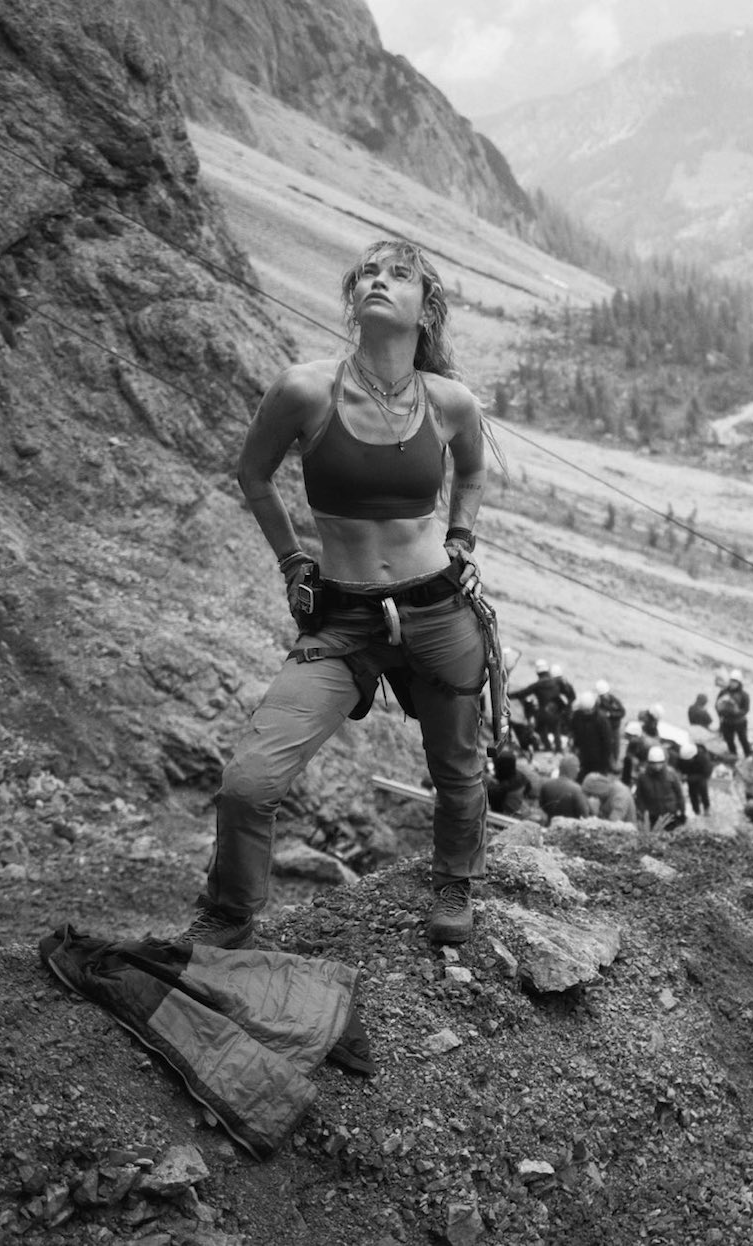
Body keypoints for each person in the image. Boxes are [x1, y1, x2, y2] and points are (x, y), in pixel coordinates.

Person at [175, 239, 494, 951]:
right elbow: (252, 476)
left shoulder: (449, 402)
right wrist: (293, 562)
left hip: (437, 609)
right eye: (368, 276)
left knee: (457, 765)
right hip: (343, 615)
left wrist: (462, 541)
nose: (378, 282)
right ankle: (229, 912)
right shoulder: (305, 389)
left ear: (427, 308)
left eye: (398, 276)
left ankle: (453, 883)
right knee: (249, 781)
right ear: (353, 302)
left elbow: (471, 474)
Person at [508, 661, 567, 752]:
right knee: (556, 728)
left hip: (544, 713)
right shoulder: (556, 683)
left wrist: (509, 695)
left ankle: (547, 746)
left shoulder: (537, 685)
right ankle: (558, 748)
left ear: (538, 673)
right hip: (556, 712)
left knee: (541, 727)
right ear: (547, 672)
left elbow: (522, 693)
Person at [634, 745, 687, 832]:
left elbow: (679, 794)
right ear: (649, 762)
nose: (656, 766)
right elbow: (639, 796)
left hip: (670, 814)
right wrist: (642, 812)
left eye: (659, 763)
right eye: (653, 763)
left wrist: (682, 811)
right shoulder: (643, 777)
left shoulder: (671, 774)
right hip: (652, 815)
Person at [568, 690, 617, 777]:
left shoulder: (600, 719)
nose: (587, 713)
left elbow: (607, 742)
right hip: (587, 756)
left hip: (592, 757)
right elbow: (574, 732)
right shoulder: (580, 716)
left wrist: (605, 764)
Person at [486, 747, 542, 819]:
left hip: (506, 817)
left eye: (496, 766)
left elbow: (494, 806)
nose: (494, 768)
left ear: (500, 767)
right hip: (520, 806)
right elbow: (528, 787)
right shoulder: (520, 775)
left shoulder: (499, 789)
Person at [538, 754, 592, 821]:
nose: (579, 770)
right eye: (577, 767)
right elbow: (584, 815)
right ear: (572, 769)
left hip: (551, 825)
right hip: (570, 828)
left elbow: (542, 806)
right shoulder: (576, 789)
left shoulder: (546, 785)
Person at [717, 670, 751, 758]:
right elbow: (717, 705)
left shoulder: (744, 695)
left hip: (740, 722)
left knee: (743, 739)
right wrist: (721, 712)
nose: (733, 683)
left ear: (739, 683)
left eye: (735, 682)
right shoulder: (723, 692)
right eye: (732, 681)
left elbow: (746, 709)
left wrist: (737, 712)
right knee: (729, 740)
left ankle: (748, 755)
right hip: (727, 722)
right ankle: (733, 755)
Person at [676, 739, 714, 816]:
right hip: (690, 775)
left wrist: (688, 778)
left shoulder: (703, 759)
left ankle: (706, 808)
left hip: (700, 776)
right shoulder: (683, 757)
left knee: (703, 792)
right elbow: (679, 766)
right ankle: (696, 811)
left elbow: (705, 774)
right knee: (692, 793)